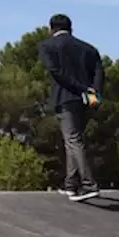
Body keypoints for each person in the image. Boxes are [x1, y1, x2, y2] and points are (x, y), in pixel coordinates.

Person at [39, 14, 103, 201]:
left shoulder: (48, 46)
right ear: (71, 28)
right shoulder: (88, 48)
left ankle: (89, 184)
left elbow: (56, 72)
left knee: (73, 140)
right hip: (85, 101)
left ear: (51, 29)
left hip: (65, 98)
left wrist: (80, 87)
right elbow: (99, 71)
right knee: (73, 141)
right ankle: (71, 185)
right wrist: (94, 93)